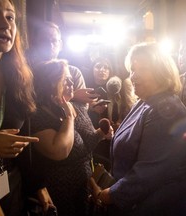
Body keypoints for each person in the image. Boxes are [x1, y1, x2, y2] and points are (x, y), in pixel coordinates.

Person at [90, 42, 186, 216]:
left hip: (161, 205)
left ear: (161, 71)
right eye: (133, 69)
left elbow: (152, 171)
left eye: (143, 69)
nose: (134, 76)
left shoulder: (166, 109)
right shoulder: (146, 102)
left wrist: (111, 195)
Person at [0, 0, 40, 215]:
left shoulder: (19, 79)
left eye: (11, 17)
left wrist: (38, 186)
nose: (6, 25)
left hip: (13, 187)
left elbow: (24, 141)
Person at [29, 59, 112, 216]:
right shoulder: (37, 115)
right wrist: (69, 117)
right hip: (59, 193)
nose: (71, 83)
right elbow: (60, 151)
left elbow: (86, 145)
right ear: (49, 83)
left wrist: (101, 134)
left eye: (71, 79)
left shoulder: (77, 107)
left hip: (86, 186)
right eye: (65, 80)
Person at [27, 21, 97, 104]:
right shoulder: (27, 72)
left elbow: (83, 107)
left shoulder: (73, 73)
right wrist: (73, 96)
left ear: (60, 45)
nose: (50, 45)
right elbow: (28, 103)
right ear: (34, 43)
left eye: (54, 41)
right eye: (44, 41)